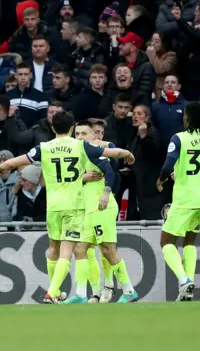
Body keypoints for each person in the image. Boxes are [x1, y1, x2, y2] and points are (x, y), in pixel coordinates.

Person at [0, 111, 136, 303]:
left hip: (53, 206)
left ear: (53, 128)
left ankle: (60, 290)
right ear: (71, 129)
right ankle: (52, 292)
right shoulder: (80, 146)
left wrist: (2, 167)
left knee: (54, 248)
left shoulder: (43, 147)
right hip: (74, 207)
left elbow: (16, 161)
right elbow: (112, 153)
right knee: (68, 251)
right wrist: (127, 153)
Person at [63, 120, 138, 305]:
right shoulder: (76, 153)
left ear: (93, 137)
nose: (80, 137)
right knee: (80, 249)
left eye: (84, 134)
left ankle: (129, 291)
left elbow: (110, 172)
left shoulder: (92, 151)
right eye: (77, 134)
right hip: (88, 210)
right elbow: (69, 181)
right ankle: (81, 293)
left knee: (107, 250)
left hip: (102, 207)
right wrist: (83, 178)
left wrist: (105, 193)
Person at [156, 102, 200, 302]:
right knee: (190, 241)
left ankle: (184, 281)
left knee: (166, 242)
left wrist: (161, 179)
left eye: (185, 115)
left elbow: (167, 165)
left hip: (185, 199)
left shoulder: (179, 138)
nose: (183, 118)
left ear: (190, 119)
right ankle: (189, 285)